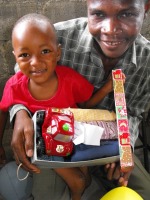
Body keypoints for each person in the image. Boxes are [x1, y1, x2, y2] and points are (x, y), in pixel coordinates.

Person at [8, 0, 150, 199]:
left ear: (145, 9)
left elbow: (134, 111)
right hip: (61, 139)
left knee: (143, 192)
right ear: (88, 5)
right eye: (99, 14)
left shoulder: (147, 60)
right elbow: (22, 71)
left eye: (126, 14)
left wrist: (126, 149)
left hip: (112, 144)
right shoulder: (57, 36)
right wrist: (20, 112)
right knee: (47, 194)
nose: (109, 30)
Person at [0, 13, 120, 200]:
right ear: (15, 57)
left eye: (45, 51)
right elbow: (3, 109)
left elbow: (86, 104)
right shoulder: (14, 86)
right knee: (78, 182)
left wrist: (106, 89)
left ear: (58, 52)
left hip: (74, 138)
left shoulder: (69, 79)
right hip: (46, 147)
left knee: (85, 178)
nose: (35, 62)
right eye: (25, 55)